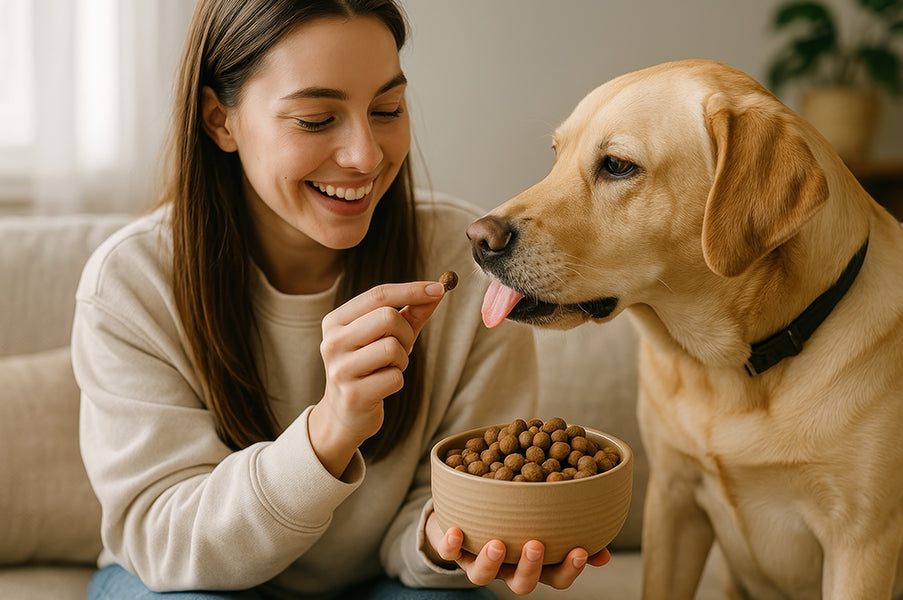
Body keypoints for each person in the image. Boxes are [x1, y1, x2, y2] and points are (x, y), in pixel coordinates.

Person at [71, 0, 610, 598]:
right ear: (220, 121)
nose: (366, 155)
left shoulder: (468, 259)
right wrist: (329, 431)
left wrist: (451, 536)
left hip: (383, 582)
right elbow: (168, 544)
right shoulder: (131, 284)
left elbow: (444, 505)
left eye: (387, 110)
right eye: (315, 119)